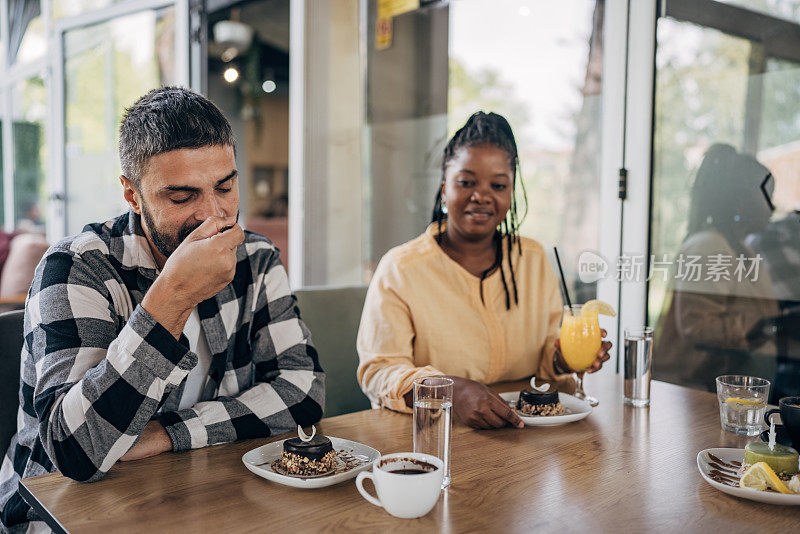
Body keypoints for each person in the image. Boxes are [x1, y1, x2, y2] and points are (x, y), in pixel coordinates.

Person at [0, 87, 325, 532]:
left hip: (201, 496)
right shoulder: (76, 268)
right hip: (60, 513)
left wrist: (167, 434)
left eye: (226, 187)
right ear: (132, 196)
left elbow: (303, 391)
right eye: (181, 197)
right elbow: (75, 451)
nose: (213, 215)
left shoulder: (257, 257)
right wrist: (171, 296)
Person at [356, 111, 611, 429]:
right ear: (444, 187)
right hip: (436, 437)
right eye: (466, 182)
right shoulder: (401, 269)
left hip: (528, 434)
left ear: (510, 193)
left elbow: (549, 349)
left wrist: (568, 357)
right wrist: (450, 391)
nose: (481, 196)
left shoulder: (532, 259)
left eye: (498, 185)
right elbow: (379, 371)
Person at [653, 144, 778, 392]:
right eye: (767, 196)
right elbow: (697, 326)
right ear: (741, 200)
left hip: (721, 394)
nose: (772, 207)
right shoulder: (708, 246)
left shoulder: (743, 249)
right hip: (695, 395)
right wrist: (765, 327)